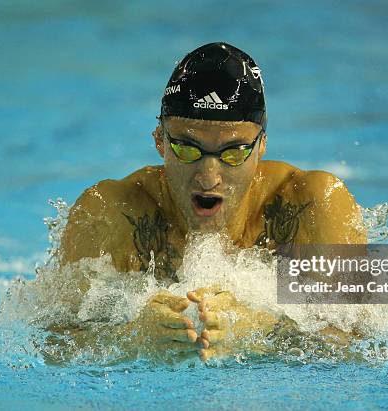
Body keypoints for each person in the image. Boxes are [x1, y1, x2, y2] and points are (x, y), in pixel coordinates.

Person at [56, 42, 366, 362]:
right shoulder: (109, 213)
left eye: (233, 152)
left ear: (261, 145)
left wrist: (261, 331)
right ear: (160, 139)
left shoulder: (315, 205)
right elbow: (51, 344)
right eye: (188, 149)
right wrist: (132, 338)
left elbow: (369, 346)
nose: (209, 177)